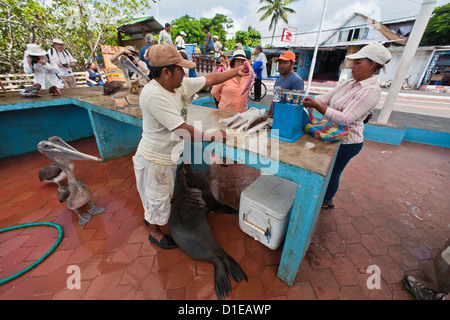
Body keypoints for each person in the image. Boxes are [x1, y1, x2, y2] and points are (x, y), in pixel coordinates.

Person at [134, 43, 250, 249]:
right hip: (155, 159)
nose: (184, 72)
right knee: (158, 195)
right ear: (166, 72)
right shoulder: (154, 95)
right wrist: (212, 135)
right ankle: (155, 232)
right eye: (180, 68)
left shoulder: (177, 85)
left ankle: (151, 215)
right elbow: (183, 131)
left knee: (155, 195)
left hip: (165, 155)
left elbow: (211, 79)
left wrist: (236, 71)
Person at [302, 43, 392, 209]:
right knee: (324, 170)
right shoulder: (349, 83)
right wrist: (310, 101)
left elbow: (345, 118)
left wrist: (316, 106)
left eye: (358, 63)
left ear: (372, 64)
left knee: (332, 173)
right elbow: (325, 98)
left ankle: (326, 201)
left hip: (348, 142)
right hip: (334, 133)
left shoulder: (371, 91)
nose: (353, 67)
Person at [268, 50, 304, 116]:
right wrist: (269, 114)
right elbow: (275, 98)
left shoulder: (296, 80)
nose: (281, 66)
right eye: (280, 63)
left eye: (285, 63)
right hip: (275, 116)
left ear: (292, 64)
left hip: (285, 118)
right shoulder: (278, 80)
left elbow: (298, 104)